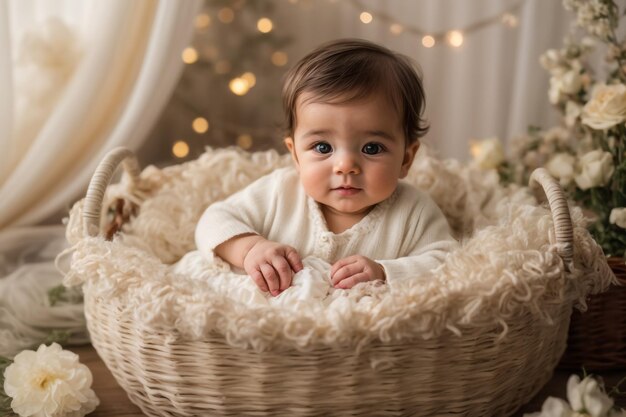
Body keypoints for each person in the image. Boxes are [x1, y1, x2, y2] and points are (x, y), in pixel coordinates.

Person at [195, 38, 458, 297]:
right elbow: (214, 220)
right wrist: (250, 248)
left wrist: (384, 272)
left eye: (372, 148)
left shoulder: (413, 211)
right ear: (296, 155)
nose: (346, 166)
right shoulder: (279, 191)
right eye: (323, 148)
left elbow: (448, 263)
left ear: (405, 159)